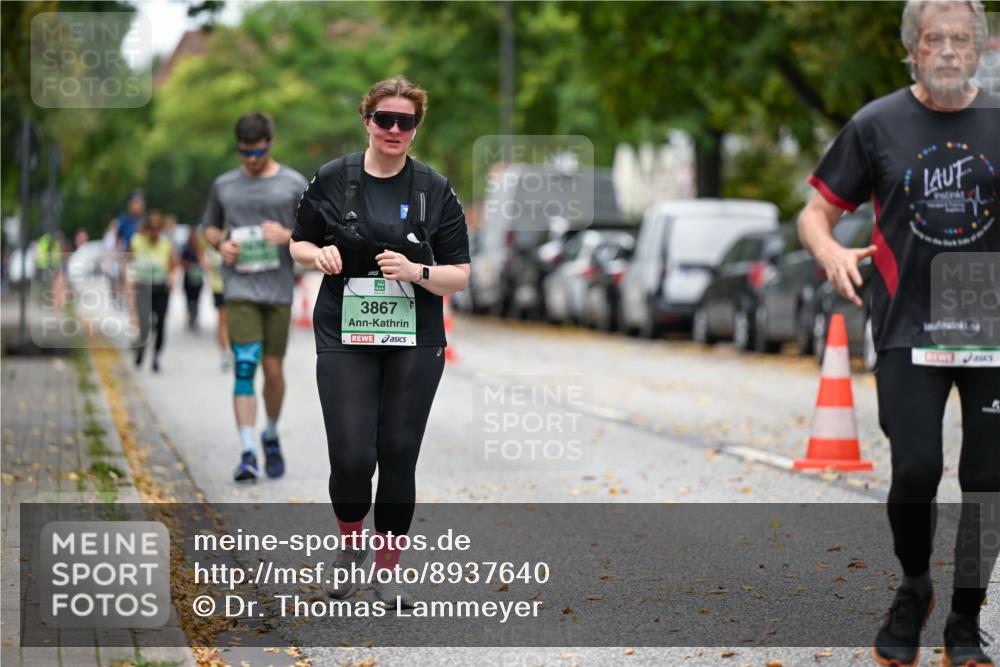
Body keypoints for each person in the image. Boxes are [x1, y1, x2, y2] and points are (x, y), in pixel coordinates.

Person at [797, 3, 998, 665]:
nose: (947, 50)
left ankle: (966, 619)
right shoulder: (877, 123)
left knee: (989, 477)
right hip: (907, 325)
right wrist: (827, 250)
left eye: (960, 39)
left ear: (981, 47)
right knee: (915, 469)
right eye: (933, 39)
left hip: (992, 327)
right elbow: (817, 212)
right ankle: (915, 586)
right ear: (911, 50)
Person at [290, 76, 470, 609]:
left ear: (416, 127)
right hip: (344, 328)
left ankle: (387, 571)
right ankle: (350, 549)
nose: (394, 129)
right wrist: (315, 256)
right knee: (350, 454)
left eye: (406, 122)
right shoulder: (333, 178)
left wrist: (417, 270)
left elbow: (459, 274)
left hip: (415, 335)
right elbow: (298, 240)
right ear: (366, 120)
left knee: (397, 454)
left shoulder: (433, 188)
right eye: (384, 119)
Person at [201, 111, 308, 482]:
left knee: (273, 371)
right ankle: (247, 450)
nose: (250, 159)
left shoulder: (293, 183)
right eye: (244, 152)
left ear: (270, 144)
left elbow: (316, 236)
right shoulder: (224, 185)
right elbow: (209, 227)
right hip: (240, 288)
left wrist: (288, 236)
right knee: (245, 365)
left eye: (257, 152)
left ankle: (271, 434)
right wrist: (221, 244)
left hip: (278, 290)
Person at [128, 210, 179, 373]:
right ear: (147, 229)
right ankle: (141, 349)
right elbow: (128, 261)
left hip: (160, 287)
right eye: (152, 229)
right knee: (144, 323)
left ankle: (156, 356)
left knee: (161, 322)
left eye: (158, 229)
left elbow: (173, 264)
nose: (155, 233)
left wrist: (172, 277)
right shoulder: (137, 241)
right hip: (143, 286)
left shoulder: (165, 243)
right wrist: (128, 279)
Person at [203, 233, 232, 370]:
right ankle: (225, 351)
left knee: (232, 320)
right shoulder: (211, 249)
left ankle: (231, 348)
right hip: (218, 288)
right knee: (222, 318)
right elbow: (207, 266)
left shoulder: (232, 243)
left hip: (233, 287)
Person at [180, 225, 205, 331]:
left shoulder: (200, 249)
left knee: (197, 299)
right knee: (189, 299)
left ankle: (195, 317)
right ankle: (190, 316)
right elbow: (181, 262)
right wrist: (189, 265)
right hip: (188, 276)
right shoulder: (185, 249)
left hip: (198, 277)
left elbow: (204, 262)